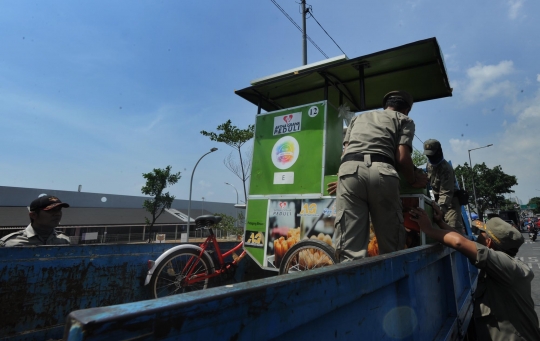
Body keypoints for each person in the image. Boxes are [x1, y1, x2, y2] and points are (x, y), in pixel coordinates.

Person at [410, 205, 540, 340]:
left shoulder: (505, 265)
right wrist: (440, 222)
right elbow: (465, 240)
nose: (476, 236)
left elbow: (460, 243)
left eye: (481, 233)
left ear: (488, 243)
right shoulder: (501, 263)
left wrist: (427, 229)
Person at [333, 90, 428, 261]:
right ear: (406, 109)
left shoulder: (357, 118)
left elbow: (346, 153)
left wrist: (342, 181)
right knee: (392, 247)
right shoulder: (404, 120)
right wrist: (413, 179)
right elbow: (402, 157)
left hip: (349, 172)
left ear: (385, 106)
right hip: (382, 173)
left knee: (349, 248)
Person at [423, 139, 464, 232]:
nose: (430, 157)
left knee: (453, 231)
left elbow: (446, 192)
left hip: (450, 203)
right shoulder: (429, 164)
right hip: (437, 202)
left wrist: (440, 211)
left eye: (432, 154)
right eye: (428, 155)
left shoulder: (446, 169)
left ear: (439, 152)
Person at [0, 195, 71, 247]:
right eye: (51, 210)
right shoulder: (10, 243)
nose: (58, 214)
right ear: (33, 215)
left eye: (59, 210)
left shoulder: (64, 241)